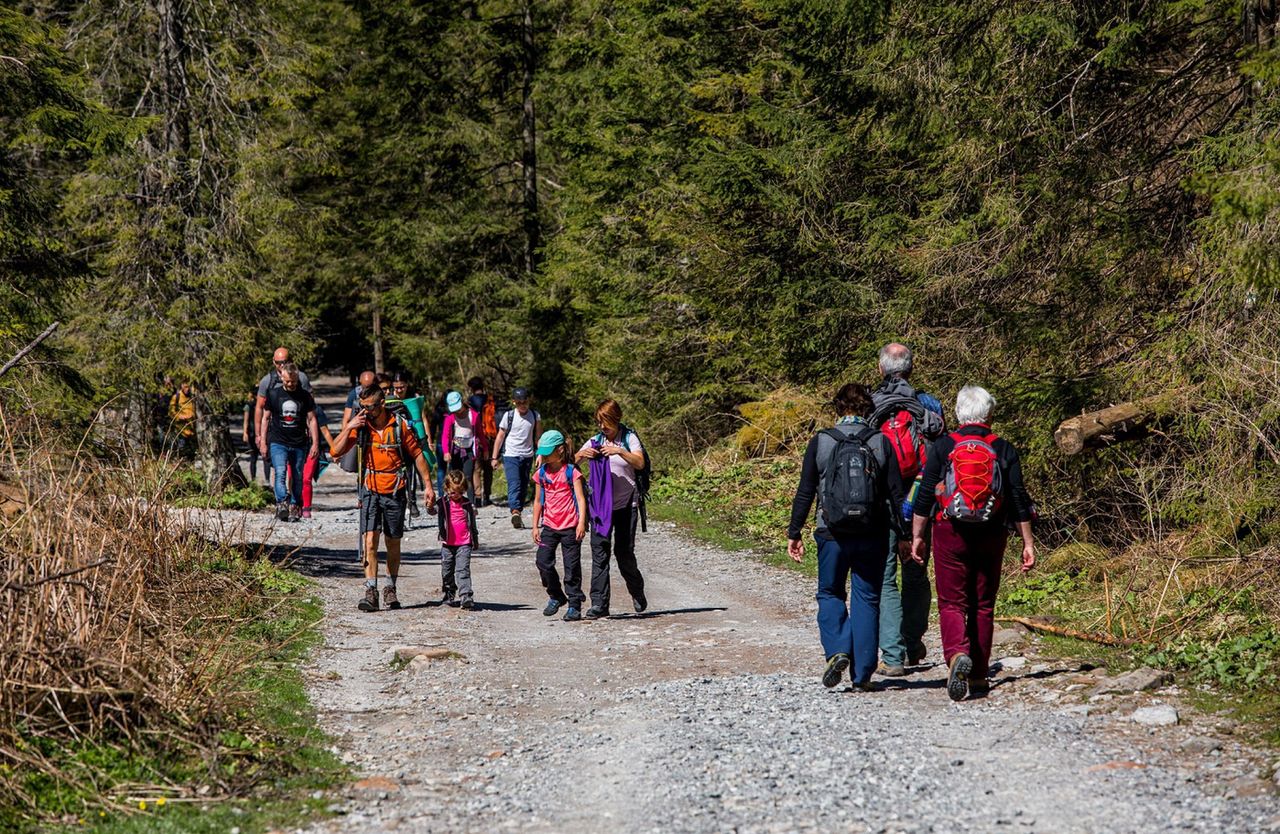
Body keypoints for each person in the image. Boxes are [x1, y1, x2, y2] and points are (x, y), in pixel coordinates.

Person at [910, 385, 1036, 701]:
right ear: (989, 415)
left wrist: (916, 535)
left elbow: (925, 494)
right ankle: (979, 676)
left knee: (952, 601)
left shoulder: (942, 446)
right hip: (991, 532)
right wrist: (1028, 542)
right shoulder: (1003, 448)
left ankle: (956, 655)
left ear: (958, 413)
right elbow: (1019, 498)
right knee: (983, 603)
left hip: (949, 530)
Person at [786, 383, 908, 691]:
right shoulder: (881, 441)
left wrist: (795, 532)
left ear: (838, 409)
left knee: (830, 593)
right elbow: (896, 494)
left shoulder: (822, 441)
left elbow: (805, 491)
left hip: (831, 532)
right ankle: (862, 674)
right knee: (866, 596)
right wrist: (905, 534)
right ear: (868, 409)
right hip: (873, 532)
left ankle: (838, 650)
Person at [870, 342, 946, 677]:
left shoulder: (870, 404)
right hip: (919, 499)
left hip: (883, 499)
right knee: (915, 569)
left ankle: (893, 655)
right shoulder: (928, 404)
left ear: (880, 368)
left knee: (885, 576)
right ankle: (913, 642)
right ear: (911, 368)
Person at [330, 383, 437, 612]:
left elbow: (417, 454)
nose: (365, 411)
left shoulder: (399, 426)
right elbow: (335, 451)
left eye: (369, 407)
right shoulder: (361, 427)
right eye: (362, 406)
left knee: (392, 541)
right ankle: (371, 591)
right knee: (370, 540)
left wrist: (428, 486)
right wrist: (349, 426)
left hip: (396, 489)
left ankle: (390, 588)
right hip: (370, 489)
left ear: (381, 404)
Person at [575, 399, 647, 619]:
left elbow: (640, 463)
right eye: (599, 422)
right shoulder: (595, 440)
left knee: (623, 553)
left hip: (627, 504)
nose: (602, 427)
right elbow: (571, 464)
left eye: (606, 422)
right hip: (599, 507)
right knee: (600, 553)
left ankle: (636, 591)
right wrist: (581, 456)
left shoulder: (629, 438)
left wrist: (619, 451)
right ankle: (599, 604)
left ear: (616, 419)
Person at [532, 430, 588, 621]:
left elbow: (581, 499)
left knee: (571, 568)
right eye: (543, 452)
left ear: (560, 450)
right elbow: (538, 501)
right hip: (549, 526)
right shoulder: (541, 474)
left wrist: (581, 523)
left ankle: (574, 605)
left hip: (570, 527)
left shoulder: (572, 472)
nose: (545, 456)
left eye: (548, 452)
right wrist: (535, 526)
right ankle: (556, 595)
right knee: (542, 561)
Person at [257, 364, 319, 522]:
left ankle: (294, 505)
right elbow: (265, 418)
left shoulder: (305, 396)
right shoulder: (273, 394)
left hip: (299, 442)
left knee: (298, 475)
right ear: (282, 379)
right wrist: (262, 441)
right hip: (278, 441)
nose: (291, 384)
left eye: (293, 382)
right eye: (287, 382)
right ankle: (282, 502)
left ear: (297, 379)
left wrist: (315, 443)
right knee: (280, 471)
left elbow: (312, 420)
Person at [491, 387, 541, 528]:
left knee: (524, 485)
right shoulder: (509, 416)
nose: (522, 405)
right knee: (515, 483)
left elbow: (538, 437)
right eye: (519, 403)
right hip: (511, 455)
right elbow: (500, 436)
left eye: (524, 402)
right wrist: (494, 457)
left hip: (528, 455)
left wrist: (541, 454)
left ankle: (518, 510)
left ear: (528, 401)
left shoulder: (535, 416)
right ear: (514, 402)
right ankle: (515, 511)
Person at [254, 347, 313, 449]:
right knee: (276, 463)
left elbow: (310, 406)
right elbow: (259, 408)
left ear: (290, 360)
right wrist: (258, 434)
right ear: (273, 362)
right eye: (278, 362)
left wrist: (311, 429)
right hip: (274, 433)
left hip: (297, 431)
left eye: (284, 362)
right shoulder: (267, 381)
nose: (281, 365)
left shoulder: (301, 378)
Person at [437, 470, 480, 610]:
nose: (457, 496)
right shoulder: (443, 503)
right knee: (447, 570)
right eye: (453, 492)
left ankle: (466, 595)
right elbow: (432, 510)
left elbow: (472, 523)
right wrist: (429, 505)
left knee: (463, 570)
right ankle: (449, 592)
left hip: (464, 543)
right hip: (447, 543)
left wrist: (475, 538)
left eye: (461, 492)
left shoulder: (467, 504)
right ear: (447, 489)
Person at [442, 390, 486, 505]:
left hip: (469, 451)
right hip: (455, 451)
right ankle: (453, 503)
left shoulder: (474, 416)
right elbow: (445, 436)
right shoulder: (450, 418)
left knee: (467, 477)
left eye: (458, 407)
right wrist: (446, 452)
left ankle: (470, 504)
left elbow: (480, 433)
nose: (457, 411)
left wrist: (485, 449)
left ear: (462, 402)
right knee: (454, 478)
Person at [301, 400, 337, 519]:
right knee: (292, 477)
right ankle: (295, 503)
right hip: (295, 446)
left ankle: (306, 507)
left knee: (306, 478)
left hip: (312, 448)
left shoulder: (317, 410)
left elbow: (325, 432)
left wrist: (335, 451)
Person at [467, 376, 498, 506]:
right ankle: (487, 496)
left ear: (472, 388)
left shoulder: (470, 401)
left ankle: (477, 496)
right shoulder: (489, 400)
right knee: (488, 468)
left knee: (476, 469)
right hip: (489, 437)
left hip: (475, 437)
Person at [242, 387, 270, 484]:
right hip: (252, 434)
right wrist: (245, 433)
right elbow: (246, 420)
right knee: (253, 457)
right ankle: (253, 479)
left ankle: (267, 479)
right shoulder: (248, 406)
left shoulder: (266, 405)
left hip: (264, 434)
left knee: (265, 457)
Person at [167, 381, 197, 459]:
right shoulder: (176, 397)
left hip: (192, 429)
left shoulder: (193, 397)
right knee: (181, 450)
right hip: (181, 429)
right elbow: (171, 412)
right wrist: (179, 416)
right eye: (185, 387)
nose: (187, 389)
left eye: (188, 387)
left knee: (192, 452)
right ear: (181, 387)